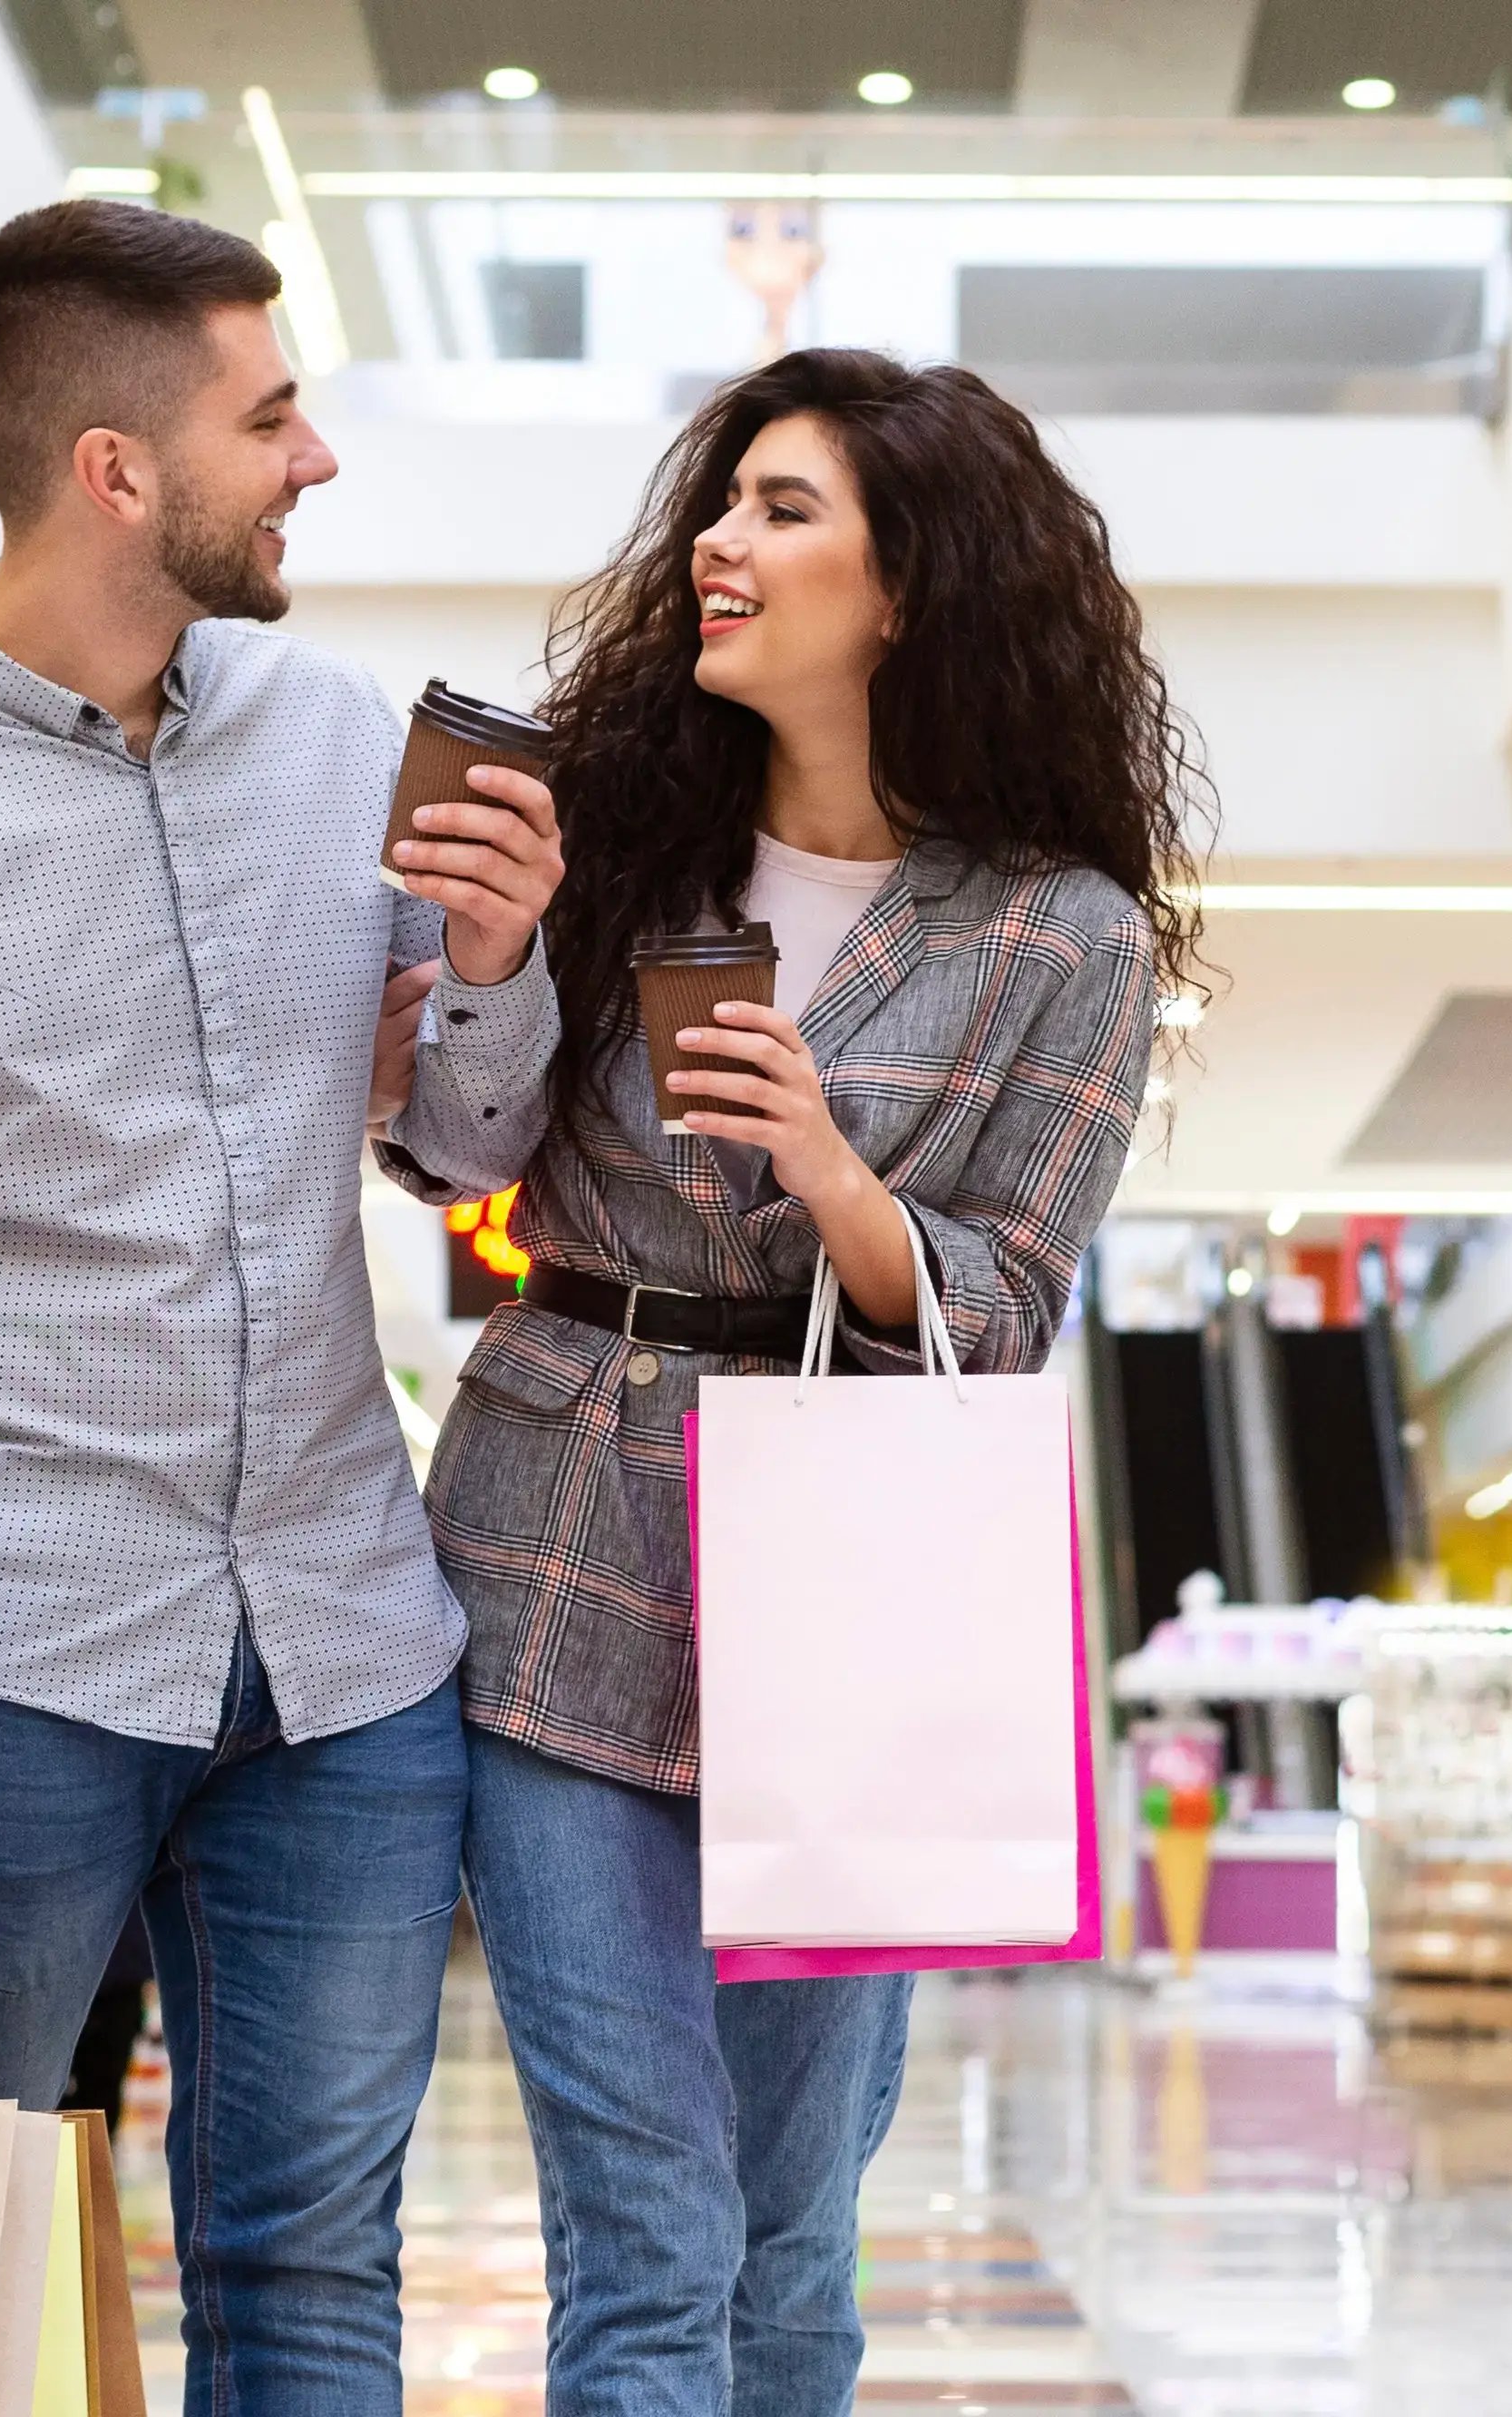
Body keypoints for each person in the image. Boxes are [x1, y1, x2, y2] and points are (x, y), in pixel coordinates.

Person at [0, 200, 563, 2415]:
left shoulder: (325, 732)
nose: (315, 461)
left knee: (313, 2272)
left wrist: (492, 970)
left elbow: (454, 1152)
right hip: (1, 1673)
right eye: (269, 419)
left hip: (346, 1664)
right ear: (110, 467)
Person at [376, 349, 1193, 2417]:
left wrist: (835, 1178)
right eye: (723, 504)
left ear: (911, 583)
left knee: (785, 2234)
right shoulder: (622, 839)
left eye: (783, 511)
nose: (718, 547)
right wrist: (486, 966)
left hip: (858, 1608)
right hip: (556, 1558)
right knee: (646, 2231)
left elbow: (1006, 1305)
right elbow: (461, 1157)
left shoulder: (1059, 940)